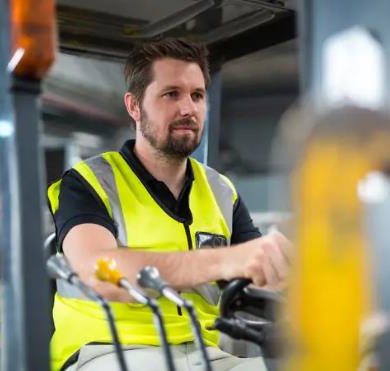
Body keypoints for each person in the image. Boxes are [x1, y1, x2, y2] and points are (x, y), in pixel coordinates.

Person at [47, 38, 291, 371]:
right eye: (171, 94)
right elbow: (100, 272)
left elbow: (260, 274)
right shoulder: (88, 182)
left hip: (204, 354)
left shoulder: (221, 191)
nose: (188, 108)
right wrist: (223, 262)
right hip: (110, 352)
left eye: (197, 95)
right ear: (134, 106)